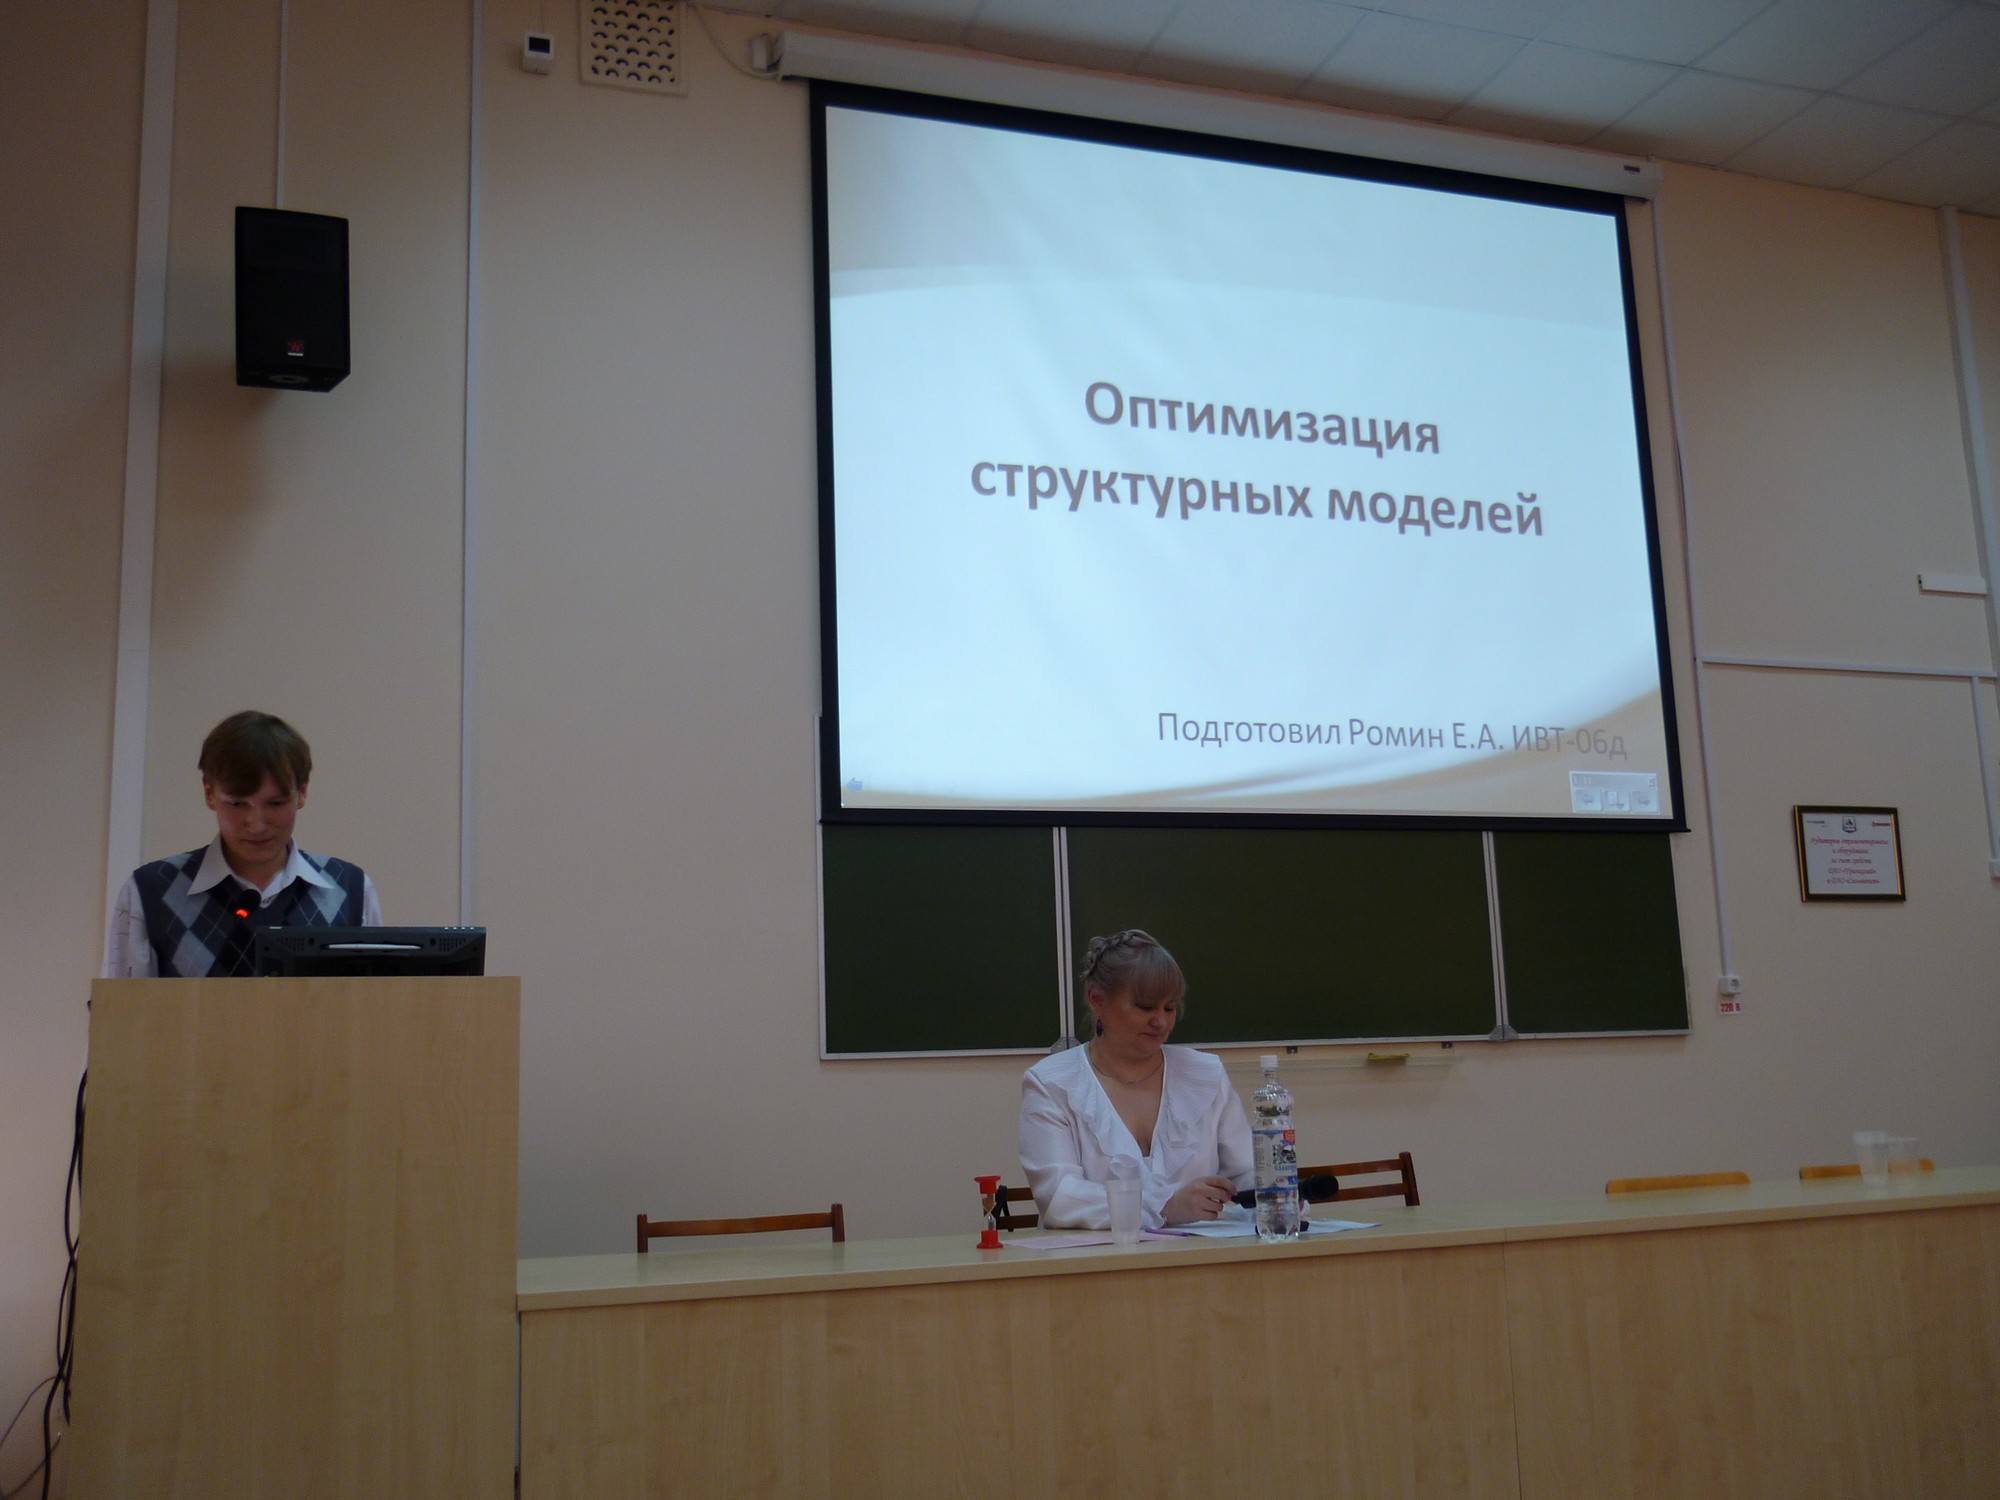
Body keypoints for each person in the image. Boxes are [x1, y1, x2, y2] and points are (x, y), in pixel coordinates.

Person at [102, 710, 382, 979]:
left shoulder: (350, 890)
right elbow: (120, 1007)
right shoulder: (151, 891)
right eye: (237, 804)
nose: (257, 825)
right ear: (209, 793)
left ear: (302, 792)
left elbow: (375, 1004)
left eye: (275, 803)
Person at [1018, 929, 1253, 1230]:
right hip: (1095, 1259)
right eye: (1145, 1007)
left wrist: (1277, 1195)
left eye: (1170, 1007)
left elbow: (1247, 1174)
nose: (1161, 1021)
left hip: (1200, 1258)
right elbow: (1059, 1199)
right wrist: (1163, 1206)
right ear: (1097, 1000)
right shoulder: (1051, 1084)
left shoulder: (1205, 1074)